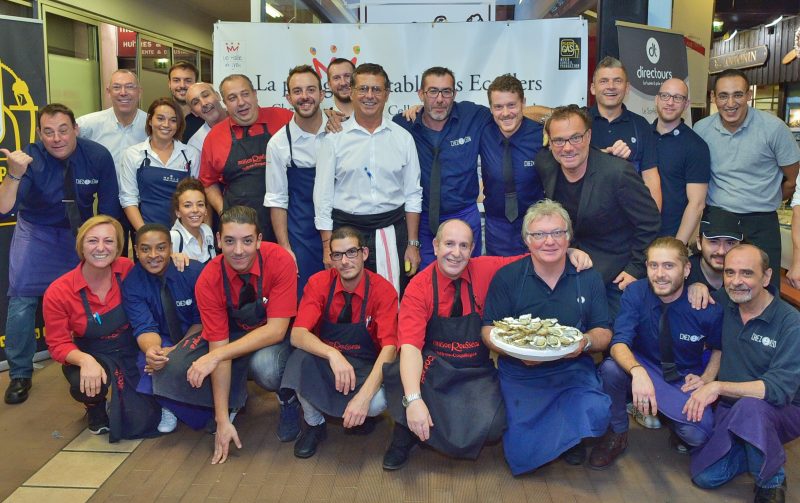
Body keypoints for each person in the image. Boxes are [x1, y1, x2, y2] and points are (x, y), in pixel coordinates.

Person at [151, 206, 298, 464]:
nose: (238, 250)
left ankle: (289, 400)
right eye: (229, 241)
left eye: (247, 241)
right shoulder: (209, 279)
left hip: (273, 335)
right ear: (218, 241)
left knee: (265, 366)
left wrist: (217, 355)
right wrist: (221, 420)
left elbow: (276, 330)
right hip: (233, 334)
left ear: (260, 240)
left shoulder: (280, 260)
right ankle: (229, 406)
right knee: (176, 367)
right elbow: (218, 343)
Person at [0, 103, 121, 405]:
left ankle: (88, 355)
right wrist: (14, 174)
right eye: (49, 132)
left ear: (75, 129)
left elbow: (108, 206)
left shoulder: (96, 156)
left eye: (63, 130)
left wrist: (106, 245)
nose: (57, 138)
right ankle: (19, 373)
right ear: (40, 134)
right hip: (36, 231)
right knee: (22, 301)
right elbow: (3, 207)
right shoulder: (27, 157)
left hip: (77, 233)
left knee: (85, 295)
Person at [481, 200, 611, 475]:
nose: (549, 241)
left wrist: (583, 344)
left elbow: (603, 332)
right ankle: (566, 438)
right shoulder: (508, 277)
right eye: (539, 235)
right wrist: (518, 352)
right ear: (527, 240)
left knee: (597, 412)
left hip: (572, 370)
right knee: (521, 455)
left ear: (568, 237)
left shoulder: (588, 277)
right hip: (521, 373)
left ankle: (571, 437)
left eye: (557, 233)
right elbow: (488, 330)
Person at [381, 219, 513, 470]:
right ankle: (405, 433)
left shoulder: (485, 268)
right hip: (432, 369)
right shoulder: (418, 287)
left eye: (464, 245)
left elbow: (529, 262)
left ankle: (432, 425)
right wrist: (413, 400)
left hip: (474, 370)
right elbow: (409, 348)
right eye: (449, 244)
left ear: (473, 249)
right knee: (404, 379)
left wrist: (566, 253)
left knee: (495, 423)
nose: (456, 252)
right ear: (436, 245)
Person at [591, 237, 723, 470]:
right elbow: (618, 342)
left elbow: (719, 347)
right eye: (654, 265)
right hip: (644, 364)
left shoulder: (705, 305)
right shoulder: (636, 292)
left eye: (669, 266)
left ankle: (671, 419)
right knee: (611, 368)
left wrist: (708, 378)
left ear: (686, 269)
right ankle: (618, 431)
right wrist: (637, 371)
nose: (660, 274)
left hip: (682, 376)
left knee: (697, 434)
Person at [687, 244, 800, 503]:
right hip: (732, 406)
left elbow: (778, 390)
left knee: (751, 408)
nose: (736, 281)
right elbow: (717, 345)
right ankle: (752, 446)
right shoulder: (725, 301)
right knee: (704, 476)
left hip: (782, 409)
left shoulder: (791, 323)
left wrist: (716, 386)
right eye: (729, 273)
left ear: (767, 277)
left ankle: (771, 480)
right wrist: (697, 286)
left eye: (747, 273)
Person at [281, 226, 398, 458]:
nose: (345, 261)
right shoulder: (318, 283)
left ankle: (362, 413)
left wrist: (363, 399)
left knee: (378, 401)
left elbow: (390, 349)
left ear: (364, 253)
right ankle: (315, 424)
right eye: (337, 255)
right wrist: (333, 355)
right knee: (299, 361)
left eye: (351, 252)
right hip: (329, 363)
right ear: (330, 258)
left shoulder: (383, 291)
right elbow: (297, 334)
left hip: (365, 366)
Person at [535, 104, 661, 318]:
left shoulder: (617, 173)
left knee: (607, 337)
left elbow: (650, 223)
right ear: (549, 141)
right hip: (570, 267)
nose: (567, 148)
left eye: (575, 138)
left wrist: (635, 269)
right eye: (558, 140)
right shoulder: (546, 164)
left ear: (589, 136)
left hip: (615, 275)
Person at [43, 215, 160, 440]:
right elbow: (57, 344)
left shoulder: (127, 269)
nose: (100, 248)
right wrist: (85, 361)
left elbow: (159, 269)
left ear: (118, 247)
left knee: (145, 418)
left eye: (108, 241)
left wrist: (177, 257)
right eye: (92, 241)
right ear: (81, 246)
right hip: (92, 353)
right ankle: (94, 406)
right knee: (82, 382)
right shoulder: (59, 291)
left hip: (130, 348)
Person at [314, 63, 422, 294]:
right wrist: (327, 247)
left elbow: (413, 195)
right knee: (350, 301)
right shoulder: (333, 139)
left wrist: (412, 244)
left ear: (387, 94)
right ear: (351, 92)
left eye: (376, 89)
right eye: (363, 89)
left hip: (392, 232)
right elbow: (322, 198)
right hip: (346, 234)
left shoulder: (403, 139)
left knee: (392, 300)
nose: (369, 96)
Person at [694, 69, 800, 291]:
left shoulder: (774, 128)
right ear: (714, 97)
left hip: (761, 222)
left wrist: (765, 198)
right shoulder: (701, 129)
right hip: (718, 219)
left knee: (765, 289)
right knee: (716, 289)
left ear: (749, 95)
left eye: (738, 94)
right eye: (723, 95)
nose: (730, 103)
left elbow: (791, 179)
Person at [122, 223, 208, 433]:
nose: (153, 255)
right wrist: (153, 351)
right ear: (136, 250)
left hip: (199, 336)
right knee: (149, 363)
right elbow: (144, 326)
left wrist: (179, 350)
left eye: (160, 248)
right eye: (145, 249)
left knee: (186, 362)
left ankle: (209, 411)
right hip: (163, 339)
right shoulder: (132, 283)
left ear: (171, 248)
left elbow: (203, 321)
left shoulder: (194, 272)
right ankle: (170, 405)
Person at [199, 74, 293, 242]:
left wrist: (331, 117)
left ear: (255, 94)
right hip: (241, 230)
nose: (241, 102)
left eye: (245, 94)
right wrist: (224, 212)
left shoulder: (284, 118)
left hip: (288, 221)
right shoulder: (215, 137)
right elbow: (208, 182)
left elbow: (314, 123)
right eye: (232, 98)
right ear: (225, 104)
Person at [265, 65, 326, 296]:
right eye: (297, 91)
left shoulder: (341, 131)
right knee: (307, 299)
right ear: (288, 98)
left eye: (311, 89)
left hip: (342, 229)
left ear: (322, 94)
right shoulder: (278, 144)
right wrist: (285, 248)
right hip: (302, 235)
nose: (305, 97)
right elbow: (277, 200)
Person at [77, 69, 148, 258]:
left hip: (144, 201)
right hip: (109, 201)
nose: (123, 92)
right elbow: (63, 139)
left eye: (129, 87)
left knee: (148, 253)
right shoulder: (89, 124)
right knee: (113, 255)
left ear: (139, 91)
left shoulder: (152, 124)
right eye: (117, 87)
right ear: (108, 92)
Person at [479, 74, 545, 255]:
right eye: (498, 107)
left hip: (536, 226)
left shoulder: (543, 135)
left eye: (512, 105)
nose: (506, 113)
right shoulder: (483, 132)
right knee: (499, 279)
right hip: (496, 227)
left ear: (523, 103)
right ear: (491, 108)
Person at [589, 56, 662, 209]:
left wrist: (653, 221)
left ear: (627, 88)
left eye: (617, 81)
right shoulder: (579, 121)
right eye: (604, 81)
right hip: (585, 218)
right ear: (593, 88)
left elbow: (650, 177)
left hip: (628, 220)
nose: (611, 86)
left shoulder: (641, 125)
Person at [118, 97, 199, 229]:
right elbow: (128, 199)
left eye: (173, 120)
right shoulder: (133, 154)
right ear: (150, 120)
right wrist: (144, 232)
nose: (166, 125)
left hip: (185, 232)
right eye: (160, 118)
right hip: (147, 228)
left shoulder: (191, 155)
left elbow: (199, 198)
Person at [652, 78, 709, 242]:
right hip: (636, 236)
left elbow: (697, 203)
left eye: (678, 98)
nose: (670, 102)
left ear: (686, 104)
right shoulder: (642, 136)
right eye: (665, 96)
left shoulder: (696, 146)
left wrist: (678, 246)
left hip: (671, 236)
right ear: (656, 99)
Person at [687, 207, 743, 292]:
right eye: (713, 242)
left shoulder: (748, 275)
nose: (721, 251)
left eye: (730, 243)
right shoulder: (682, 274)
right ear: (699, 242)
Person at [170, 177, 216, 264]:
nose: (195, 210)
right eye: (187, 205)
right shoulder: (173, 238)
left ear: (206, 210)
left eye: (200, 204)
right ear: (178, 212)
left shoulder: (207, 231)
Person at [185, 82, 228, 155]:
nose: (204, 103)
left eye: (206, 95)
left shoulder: (243, 117)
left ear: (218, 96)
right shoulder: (196, 144)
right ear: (194, 112)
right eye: (196, 102)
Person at [167, 61, 204, 143]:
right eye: (176, 80)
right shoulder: (161, 116)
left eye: (188, 80)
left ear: (196, 84)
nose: (182, 85)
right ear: (169, 83)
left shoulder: (206, 116)